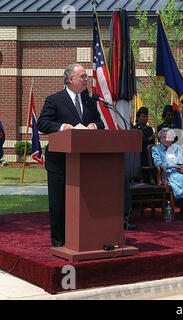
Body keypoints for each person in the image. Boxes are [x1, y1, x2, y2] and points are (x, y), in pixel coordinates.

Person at [37, 63, 105, 247]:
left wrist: (94, 126)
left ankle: (80, 237)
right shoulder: (54, 100)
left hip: (84, 161)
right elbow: (42, 123)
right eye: (83, 76)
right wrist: (62, 127)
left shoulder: (90, 101)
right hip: (59, 161)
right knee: (59, 202)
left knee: (82, 202)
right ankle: (59, 242)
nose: (86, 80)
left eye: (86, 77)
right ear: (70, 79)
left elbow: (100, 123)